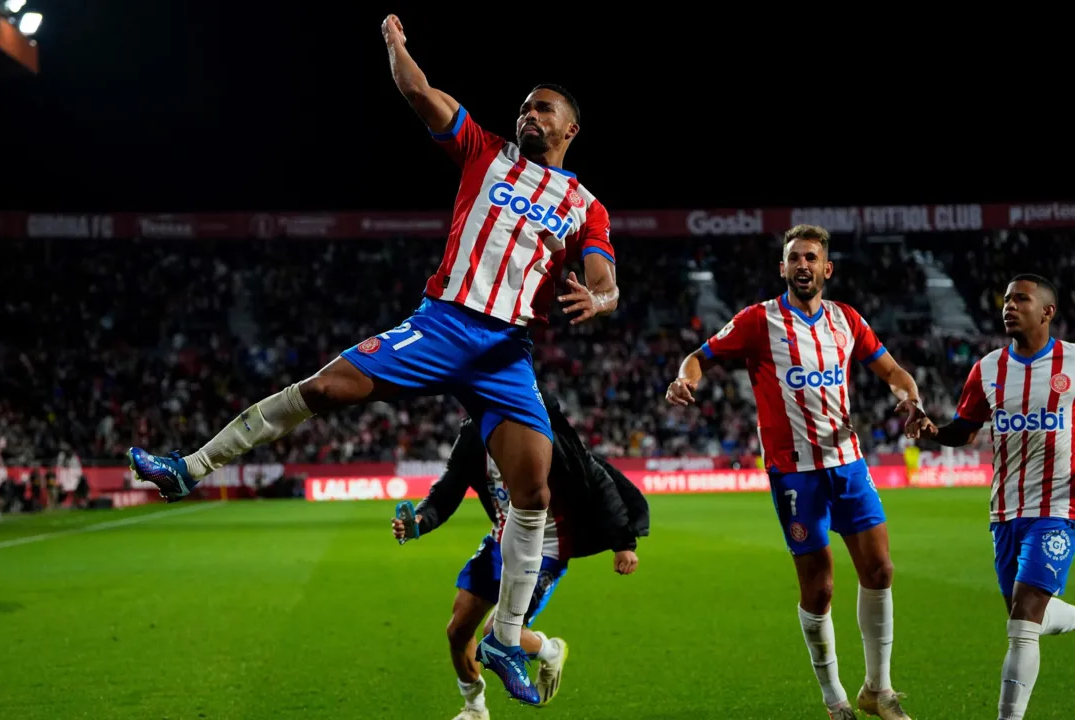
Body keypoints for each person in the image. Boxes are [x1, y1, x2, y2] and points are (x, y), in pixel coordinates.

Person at [125, 13, 618, 705]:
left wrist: (599, 300)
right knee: (328, 389)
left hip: (508, 351)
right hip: (447, 322)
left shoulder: (584, 204)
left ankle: (507, 638)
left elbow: (602, 276)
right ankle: (190, 468)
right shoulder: (486, 150)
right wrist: (396, 46)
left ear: (570, 129)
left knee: (533, 492)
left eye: (544, 109)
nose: (529, 115)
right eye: (525, 107)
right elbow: (421, 93)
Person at [665, 224, 923, 720]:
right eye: (794, 258)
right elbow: (700, 357)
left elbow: (893, 372)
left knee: (881, 570)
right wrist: (683, 380)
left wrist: (909, 399)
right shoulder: (757, 321)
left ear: (827, 269)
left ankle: (879, 690)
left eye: (811, 258)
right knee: (820, 588)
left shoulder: (847, 320)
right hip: (795, 475)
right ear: (781, 267)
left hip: (848, 462)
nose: (802, 265)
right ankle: (835, 699)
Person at [391, 390, 647, 719]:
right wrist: (420, 522)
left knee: (495, 632)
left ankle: (550, 650)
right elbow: (448, 488)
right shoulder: (474, 434)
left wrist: (624, 543)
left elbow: (599, 481)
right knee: (458, 631)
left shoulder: (544, 431)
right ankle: (475, 709)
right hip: (500, 541)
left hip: (547, 548)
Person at [907, 274, 1075, 720]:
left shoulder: (1073, 363)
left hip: (1058, 508)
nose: (1009, 306)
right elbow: (964, 430)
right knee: (1027, 615)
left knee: (1022, 622)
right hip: (1004, 511)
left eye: (1021, 299)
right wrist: (933, 431)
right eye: (1006, 299)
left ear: (1047, 312)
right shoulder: (987, 369)